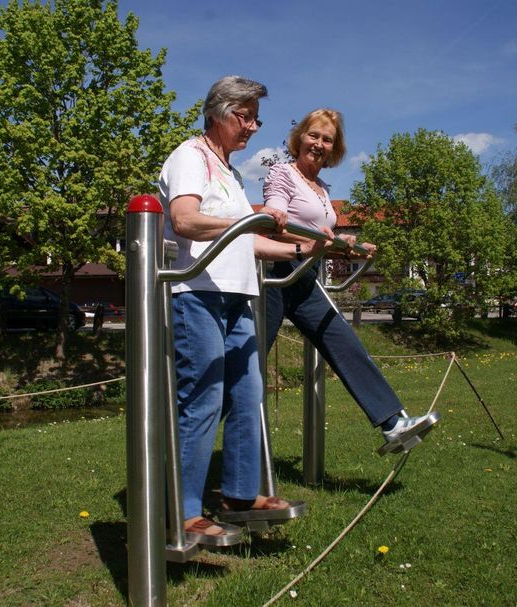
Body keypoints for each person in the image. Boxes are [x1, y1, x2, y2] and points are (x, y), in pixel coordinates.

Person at [159, 77, 328, 546]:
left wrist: (311, 247)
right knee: (203, 398)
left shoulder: (230, 174)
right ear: (218, 113)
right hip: (197, 294)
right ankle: (184, 512)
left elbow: (249, 239)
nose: (253, 126)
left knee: (249, 393)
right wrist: (246, 221)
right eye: (245, 116)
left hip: (237, 296)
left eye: (257, 118)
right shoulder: (190, 157)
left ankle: (237, 495)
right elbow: (185, 220)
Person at [262, 108, 440, 454]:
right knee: (248, 363)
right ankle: (188, 439)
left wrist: (348, 250)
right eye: (314, 135)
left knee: (344, 340)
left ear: (334, 148)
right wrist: (290, 225)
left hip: (305, 275)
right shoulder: (282, 175)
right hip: (275, 273)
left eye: (327, 139)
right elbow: (274, 224)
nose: (319, 143)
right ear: (300, 138)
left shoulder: (321, 189)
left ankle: (392, 423)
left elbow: (320, 241)